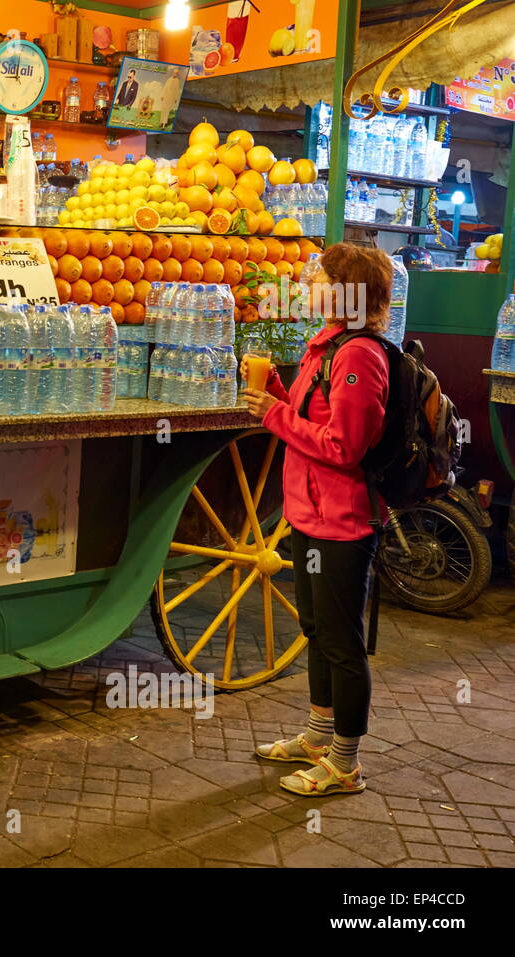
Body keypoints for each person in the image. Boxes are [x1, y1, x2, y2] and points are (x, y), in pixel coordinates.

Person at [243, 243, 393, 797]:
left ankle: (346, 763)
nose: (308, 282)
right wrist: (277, 394)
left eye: (320, 276)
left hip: (343, 522)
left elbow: (345, 447)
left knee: (341, 642)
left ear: (347, 291)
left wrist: (275, 415)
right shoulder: (324, 346)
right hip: (309, 516)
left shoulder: (359, 356)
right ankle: (315, 738)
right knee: (315, 630)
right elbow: (312, 417)